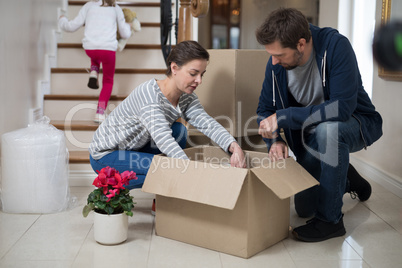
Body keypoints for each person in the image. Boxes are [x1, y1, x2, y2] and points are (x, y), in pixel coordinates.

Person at [255, 8, 383, 242]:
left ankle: (330, 222)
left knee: (328, 131)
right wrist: (275, 140)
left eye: (279, 55)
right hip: (311, 141)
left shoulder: (336, 47)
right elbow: (264, 110)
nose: (273, 61)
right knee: (304, 209)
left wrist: (284, 116)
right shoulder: (275, 65)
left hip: (354, 123)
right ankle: (347, 178)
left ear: (301, 44)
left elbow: (341, 108)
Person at [89, 40, 246, 192]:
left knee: (179, 131)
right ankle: (109, 184)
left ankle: (161, 198)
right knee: (167, 168)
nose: (199, 81)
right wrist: (191, 171)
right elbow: (164, 140)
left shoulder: (186, 97)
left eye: (202, 75)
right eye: (193, 73)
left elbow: (207, 124)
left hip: (133, 147)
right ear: (174, 68)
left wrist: (234, 147)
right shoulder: (149, 96)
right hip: (105, 155)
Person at [58, 0, 132, 123]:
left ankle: (94, 70)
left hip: (90, 49)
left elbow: (71, 26)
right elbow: (125, 34)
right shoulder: (115, 8)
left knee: (96, 46)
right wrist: (128, 27)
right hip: (107, 51)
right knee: (108, 81)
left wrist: (62, 20)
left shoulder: (88, 6)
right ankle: (100, 111)